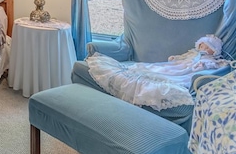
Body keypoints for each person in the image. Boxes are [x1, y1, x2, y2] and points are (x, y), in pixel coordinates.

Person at [86, 35, 229, 110]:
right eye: (202, 45)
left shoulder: (209, 59)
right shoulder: (193, 53)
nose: (203, 47)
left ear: (213, 50)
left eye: (207, 47)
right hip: (176, 66)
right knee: (156, 68)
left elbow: (212, 66)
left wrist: (201, 64)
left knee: (169, 78)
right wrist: (176, 58)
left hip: (186, 71)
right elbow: (183, 57)